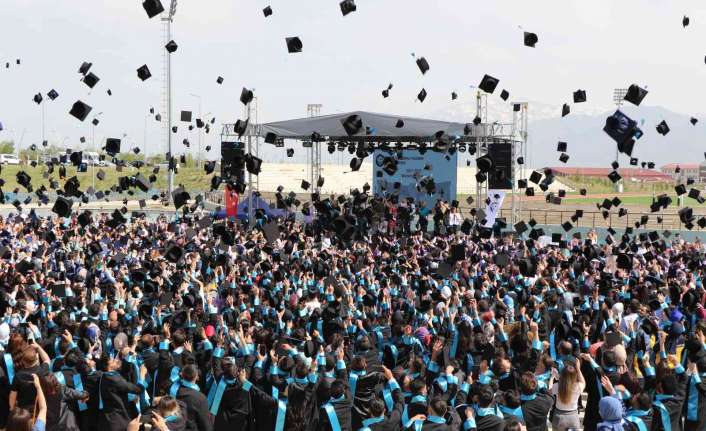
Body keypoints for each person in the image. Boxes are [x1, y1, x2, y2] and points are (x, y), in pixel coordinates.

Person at [551, 358, 584, 431]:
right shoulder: (578, 386)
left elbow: (550, 391)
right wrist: (578, 369)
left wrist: (552, 377)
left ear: (562, 374)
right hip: (573, 417)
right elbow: (583, 382)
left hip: (559, 417)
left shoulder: (557, 386)